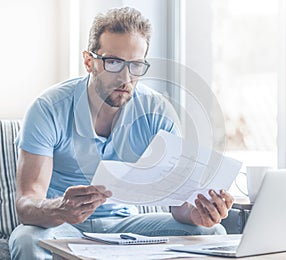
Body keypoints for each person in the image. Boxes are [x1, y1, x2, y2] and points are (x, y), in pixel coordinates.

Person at [9, 7, 234, 260]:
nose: (125, 78)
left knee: (213, 231)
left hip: (124, 225)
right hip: (60, 225)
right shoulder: (48, 108)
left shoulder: (157, 112)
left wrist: (198, 213)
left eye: (136, 65)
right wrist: (60, 208)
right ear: (89, 61)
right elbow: (26, 204)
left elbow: (179, 204)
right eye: (113, 62)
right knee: (26, 239)